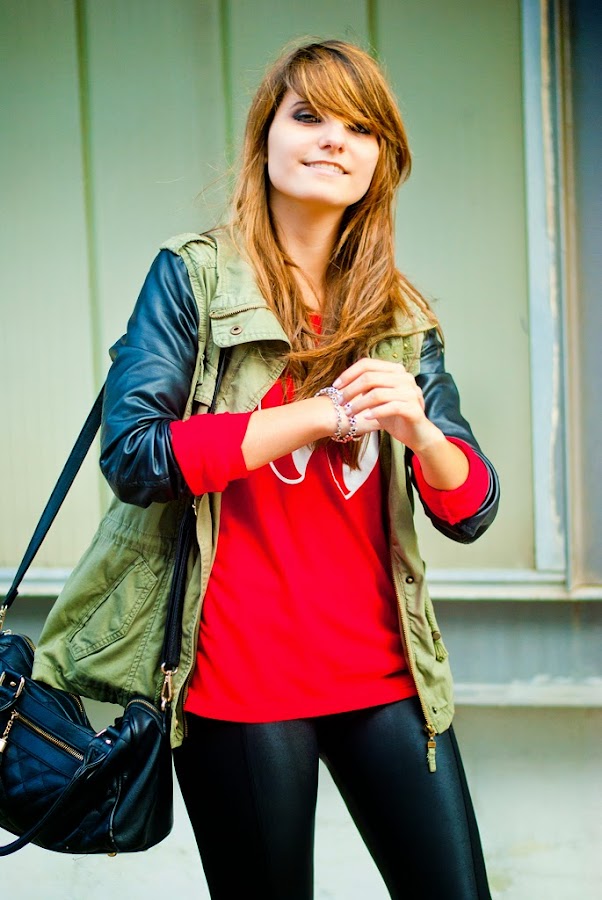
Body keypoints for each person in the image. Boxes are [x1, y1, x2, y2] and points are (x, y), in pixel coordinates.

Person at [90, 39, 500, 899]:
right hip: (241, 685)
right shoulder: (194, 279)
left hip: (387, 676)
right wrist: (316, 415)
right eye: (308, 115)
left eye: (359, 127)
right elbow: (135, 455)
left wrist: (420, 431)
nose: (333, 139)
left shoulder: (398, 316)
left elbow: (470, 507)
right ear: (265, 137)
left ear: (381, 157)